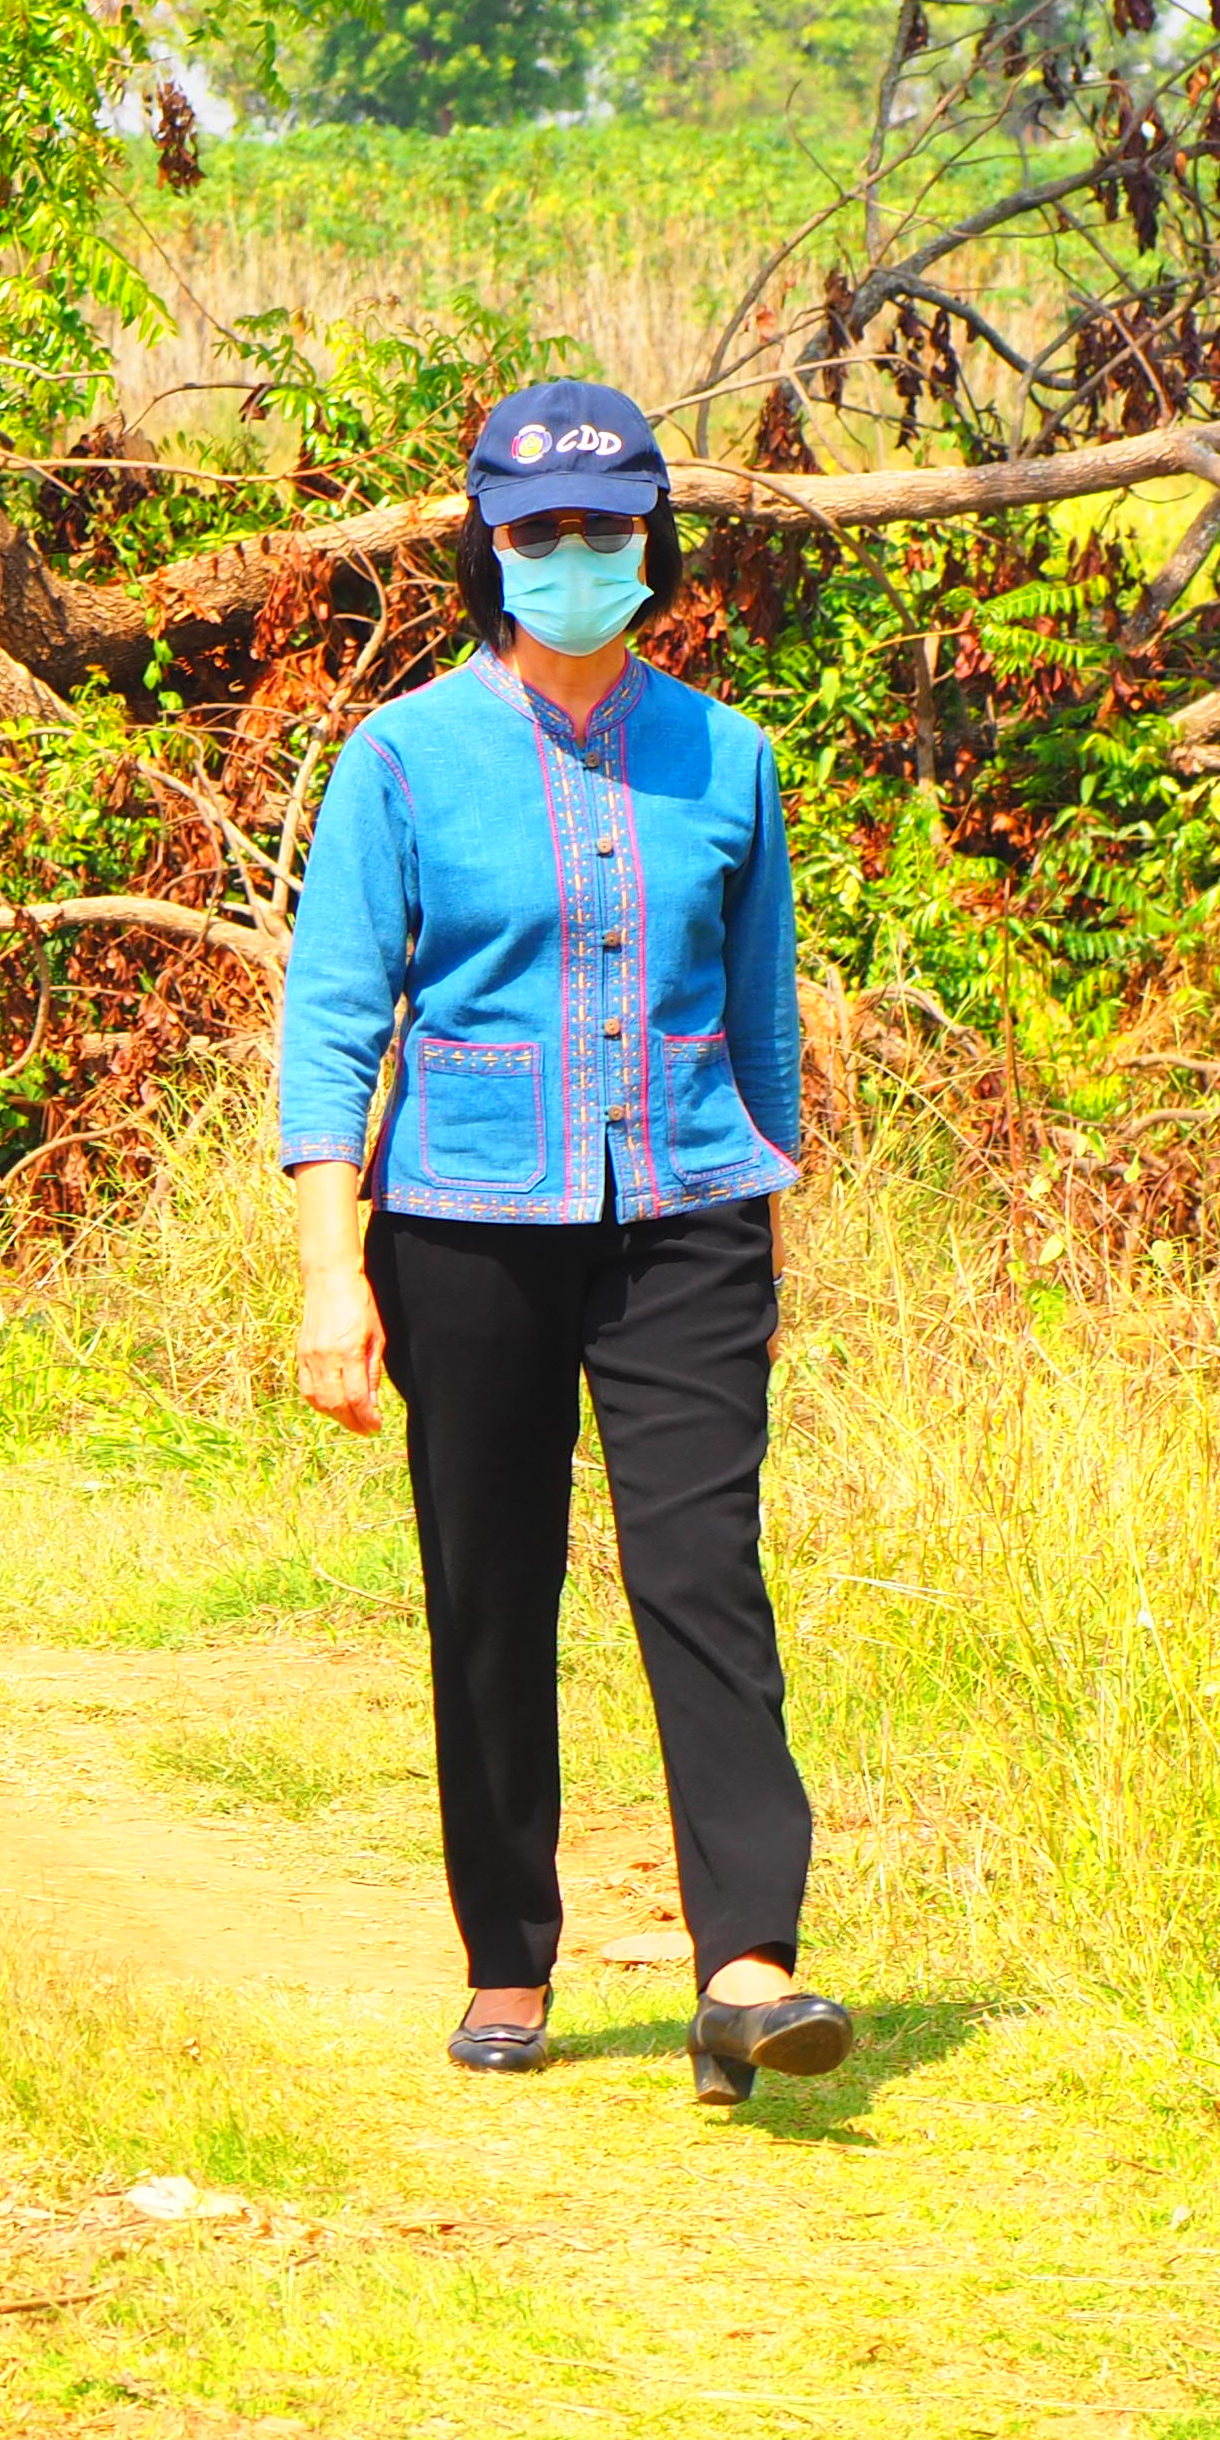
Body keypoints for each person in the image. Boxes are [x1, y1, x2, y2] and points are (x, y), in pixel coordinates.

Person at [273, 376, 855, 2104]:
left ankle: (747, 1967)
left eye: (605, 527)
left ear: (651, 539)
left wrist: (769, 1234)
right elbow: (331, 1025)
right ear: (490, 550)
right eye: (537, 533)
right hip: (464, 1229)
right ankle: (510, 1955)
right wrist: (330, 1267)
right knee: (489, 1585)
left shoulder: (725, 757)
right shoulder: (403, 762)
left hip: (685, 1221)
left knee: (704, 1578)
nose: (574, 556)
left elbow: (760, 1030)